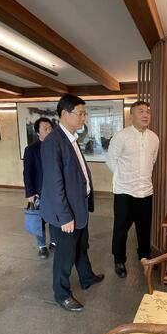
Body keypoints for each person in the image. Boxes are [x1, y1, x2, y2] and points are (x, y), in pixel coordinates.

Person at [40, 94, 104, 312]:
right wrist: (65, 216)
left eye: (85, 113)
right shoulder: (53, 142)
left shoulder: (71, 138)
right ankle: (62, 294)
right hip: (66, 213)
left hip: (79, 206)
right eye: (81, 113)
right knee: (64, 256)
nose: (84, 117)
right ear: (65, 114)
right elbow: (54, 183)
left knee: (81, 246)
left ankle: (86, 277)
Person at [105, 100, 159, 278]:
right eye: (141, 111)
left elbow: (152, 161)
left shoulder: (154, 138)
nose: (145, 115)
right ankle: (119, 260)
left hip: (146, 190)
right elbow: (110, 161)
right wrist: (124, 178)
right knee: (121, 228)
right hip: (125, 192)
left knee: (144, 227)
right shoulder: (121, 136)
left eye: (147, 111)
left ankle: (145, 255)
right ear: (132, 115)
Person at [23, 117, 58, 259]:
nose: (49, 131)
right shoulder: (31, 150)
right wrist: (30, 192)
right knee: (40, 220)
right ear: (38, 132)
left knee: (55, 218)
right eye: (45, 128)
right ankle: (42, 246)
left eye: (50, 128)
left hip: (55, 191)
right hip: (39, 192)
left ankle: (54, 242)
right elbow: (27, 173)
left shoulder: (56, 147)